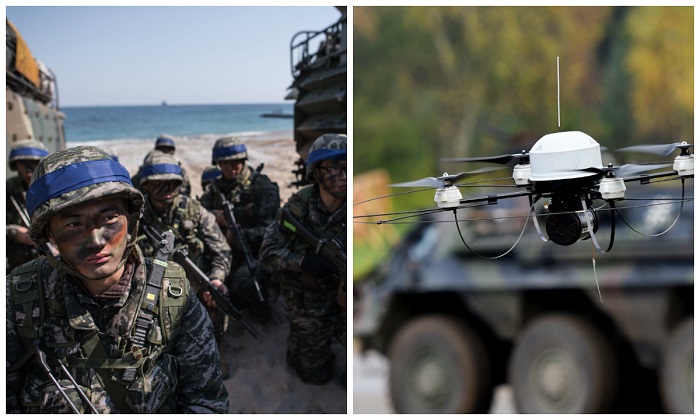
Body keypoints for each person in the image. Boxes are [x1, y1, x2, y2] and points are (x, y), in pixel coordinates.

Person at [6, 146, 229, 413]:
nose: (96, 241)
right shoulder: (19, 296)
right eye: (73, 225)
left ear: (131, 219)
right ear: (48, 235)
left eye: (109, 218)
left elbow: (206, 401)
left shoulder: (173, 293)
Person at [259, 133, 347, 385]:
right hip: (309, 303)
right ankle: (300, 343)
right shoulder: (299, 207)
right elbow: (267, 252)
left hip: (349, 303)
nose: (342, 174)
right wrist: (302, 262)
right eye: (333, 167)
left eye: (347, 166)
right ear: (316, 172)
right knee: (314, 375)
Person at [137, 151, 233, 378]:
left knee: (216, 299)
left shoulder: (194, 211)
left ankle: (212, 354)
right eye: (160, 184)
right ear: (146, 186)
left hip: (193, 286)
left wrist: (217, 278)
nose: (168, 188)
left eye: (173, 183)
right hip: (149, 288)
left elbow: (221, 249)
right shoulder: (135, 216)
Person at [200, 136, 280, 323]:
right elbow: (198, 216)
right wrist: (215, 218)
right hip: (223, 253)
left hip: (257, 253)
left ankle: (259, 307)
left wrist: (239, 235)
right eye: (225, 163)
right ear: (217, 164)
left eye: (236, 161)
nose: (232, 167)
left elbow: (271, 231)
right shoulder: (214, 190)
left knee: (247, 282)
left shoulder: (262, 187)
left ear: (244, 160)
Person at [6, 139, 49, 271]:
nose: (29, 168)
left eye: (34, 163)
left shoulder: (54, 189)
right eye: (23, 163)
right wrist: (13, 232)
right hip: (18, 263)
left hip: (53, 259)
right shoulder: (8, 190)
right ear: (15, 165)